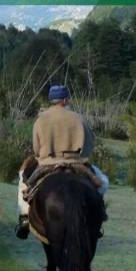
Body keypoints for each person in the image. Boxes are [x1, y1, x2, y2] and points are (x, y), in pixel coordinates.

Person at [15, 84, 109, 239]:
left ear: (51, 100)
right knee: (103, 182)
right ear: (65, 100)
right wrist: (79, 156)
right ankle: (99, 217)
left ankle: (24, 219)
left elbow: (36, 148)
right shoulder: (78, 118)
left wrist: (45, 156)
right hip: (76, 163)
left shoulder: (40, 120)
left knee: (23, 183)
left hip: (47, 163)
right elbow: (90, 143)